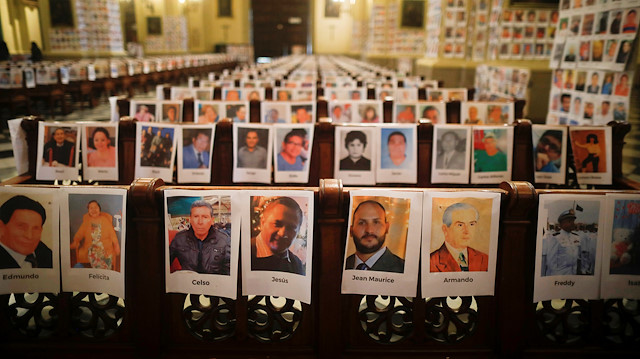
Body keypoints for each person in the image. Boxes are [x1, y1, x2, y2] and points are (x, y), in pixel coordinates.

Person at [170, 200, 230, 274]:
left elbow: (229, 271)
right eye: (196, 216)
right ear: (190, 219)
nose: (200, 222)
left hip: (214, 284)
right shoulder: (179, 239)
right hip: (188, 283)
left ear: (212, 220)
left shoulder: (224, 240)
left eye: (205, 217)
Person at [344, 200, 404, 272]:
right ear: (351, 230)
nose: (369, 230)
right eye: (361, 223)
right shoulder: (339, 265)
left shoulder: (403, 269)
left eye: (376, 222)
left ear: (387, 228)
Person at [251, 197, 305, 275]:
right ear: (262, 223)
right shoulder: (241, 252)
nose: (282, 234)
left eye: (291, 228)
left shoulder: (296, 264)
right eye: (277, 224)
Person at [430, 202, 488, 272]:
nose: (467, 231)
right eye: (460, 225)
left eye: (471, 224)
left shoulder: (484, 259)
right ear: (445, 229)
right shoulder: (431, 262)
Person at [0, 195, 52, 269]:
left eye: (35, 228)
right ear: (1, 227)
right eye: (21, 226)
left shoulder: (48, 256)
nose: (29, 236)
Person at [541, 209, 595, 276]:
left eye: (573, 221)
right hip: (559, 275)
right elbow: (551, 262)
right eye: (570, 221)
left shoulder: (576, 237)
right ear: (562, 224)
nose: (573, 223)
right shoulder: (555, 238)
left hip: (573, 274)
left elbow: (579, 257)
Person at [70, 200, 120, 270]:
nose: (94, 210)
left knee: (102, 253)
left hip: (104, 246)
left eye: (95, 207)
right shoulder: (87, 221)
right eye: (91, 208)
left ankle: (101, 272)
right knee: (94, 252)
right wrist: (76, 241)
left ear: (99, 209)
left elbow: (112, 234)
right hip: (91, 247)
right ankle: (98, 272)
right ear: (88, 211)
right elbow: (79, 233)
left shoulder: (105, 220)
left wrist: (116, 245)